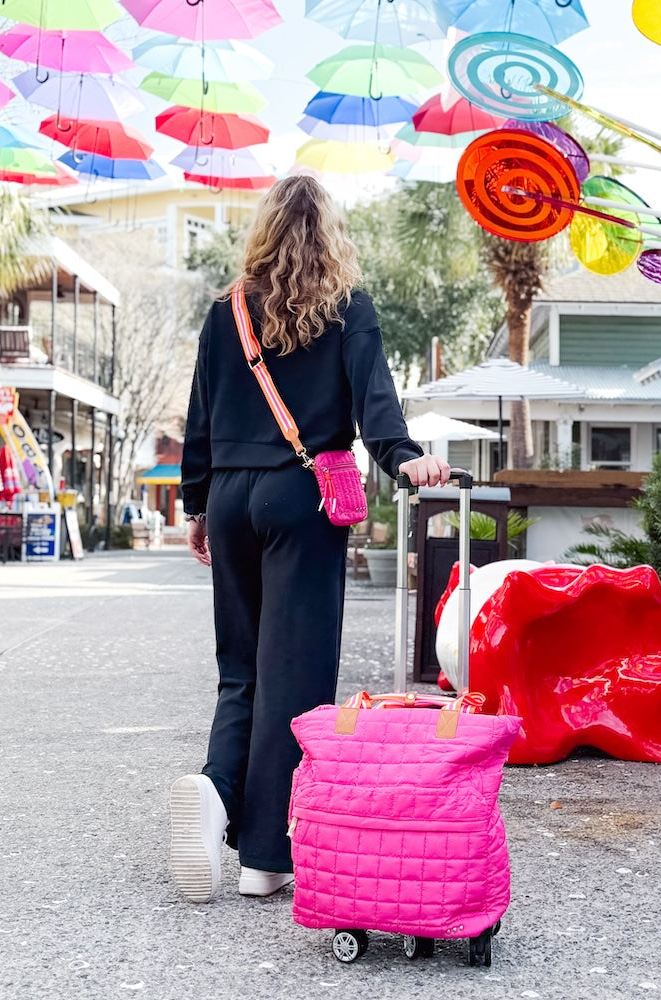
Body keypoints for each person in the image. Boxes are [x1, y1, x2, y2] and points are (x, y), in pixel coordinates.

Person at [173, 174, 451, 904]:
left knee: (241, 669)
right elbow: (375, 403)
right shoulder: (347, 307)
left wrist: (197, 506)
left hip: (229, 497)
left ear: (263, 231)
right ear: (330, 233)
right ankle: (266, 856)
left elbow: (200, 417)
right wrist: (403, 458)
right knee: (293, 677)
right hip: (302, 496)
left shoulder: (226, 311)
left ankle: (215, 791)